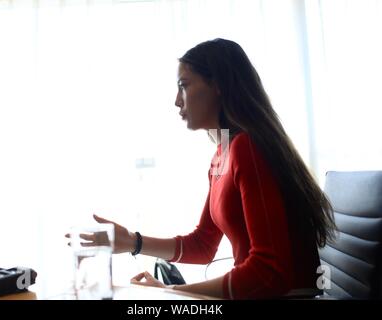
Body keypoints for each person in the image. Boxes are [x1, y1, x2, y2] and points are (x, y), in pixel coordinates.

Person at [89, 38, 337, 299]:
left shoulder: (248, 149)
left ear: (218, 85)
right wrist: (132, 241)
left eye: (183, 86)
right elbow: (203, 244)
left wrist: (172, 292)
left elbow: (269, 273)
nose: (176, 101)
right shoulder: (223, 155)